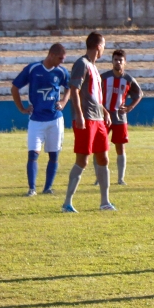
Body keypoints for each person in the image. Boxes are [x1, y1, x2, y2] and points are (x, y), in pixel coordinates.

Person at [62, 32, 115, 213]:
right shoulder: (82, 64)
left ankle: (105, 202)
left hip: (98, 119)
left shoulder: (93, 67)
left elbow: (95, 96)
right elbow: (74, 90)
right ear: (98, 46)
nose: (104, 49)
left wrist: (105, 112)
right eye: (104, 45)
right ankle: (67, 203)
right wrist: (79, 115)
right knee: (83, 160)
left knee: (103, 158)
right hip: (87, 119)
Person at [10, 44, 70, 197]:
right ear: (51, 55)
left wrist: (63, 101)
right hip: (36, 119)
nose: (62, 62)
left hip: (55, 119)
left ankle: (48, 187)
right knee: (33, 154)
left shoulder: (61, 71)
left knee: (54, 155)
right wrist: (22, 108)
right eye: (60, 58)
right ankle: (32, 188)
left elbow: (70, 87)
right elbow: (15, 87)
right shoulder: (33, 69)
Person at [98, 49, 143, 186]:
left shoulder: (128, 79)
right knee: (100, 147)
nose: (118, 62)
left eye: (120, 60)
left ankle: (120, 178)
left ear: (125, 62)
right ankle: (99, 178)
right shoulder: (103, 77)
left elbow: (139, 94)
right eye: (115, 60)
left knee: (120, 147)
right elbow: (95, 93)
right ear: (112, 61)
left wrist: (130, 107)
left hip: (119, 117)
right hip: (103, 116)